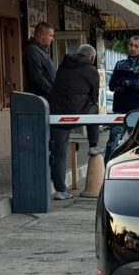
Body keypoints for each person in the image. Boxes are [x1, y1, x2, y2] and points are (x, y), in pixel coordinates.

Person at [47, 44, 99, 200]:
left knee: (59, 154)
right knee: (95, 109)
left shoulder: (63, 65)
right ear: (92, 58)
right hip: (76, 114)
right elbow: (94, 96)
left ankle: (61, 190)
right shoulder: (91, 71)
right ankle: (93, 146)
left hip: (56, 115)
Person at [106, 35, 139, 161]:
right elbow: (111, 85)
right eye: (131, 45)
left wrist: (124, 81)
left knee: (138, 146)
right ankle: (107, 176)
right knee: (112, 145)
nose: (132, 48)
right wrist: (131, 82)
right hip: (119, 111)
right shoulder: (120, 65)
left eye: (136, 46)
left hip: (137, 112)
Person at [22, 22, 56, 100]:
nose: (52, 39)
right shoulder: (32, 51)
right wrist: (52, 91)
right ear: (42, 35)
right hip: (40, 99)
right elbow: (36, 77)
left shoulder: (40, 50)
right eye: (50, 35)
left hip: (46, 97)